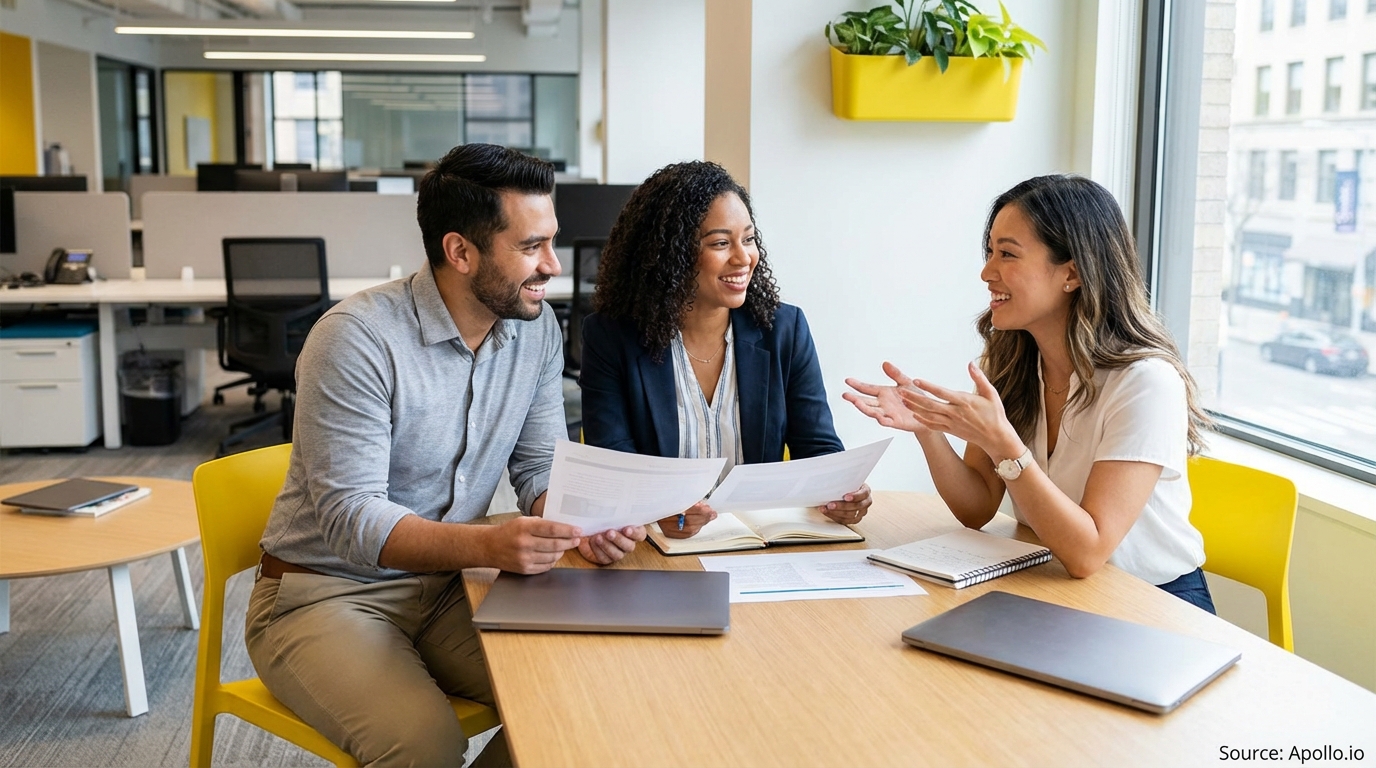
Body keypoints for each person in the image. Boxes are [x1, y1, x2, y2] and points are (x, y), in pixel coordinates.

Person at [244, 143, 646, 768]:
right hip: (323, 593)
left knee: (584, 691)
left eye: (552, 242)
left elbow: (539, 465)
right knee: (424, 746)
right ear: (460, 251)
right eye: (530, 247)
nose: (553, 268)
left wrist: (581, 520)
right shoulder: (357, 338)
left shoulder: (534, 328)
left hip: (449, 587)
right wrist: (489, 545)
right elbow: (351, 518)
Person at [845, 174, 1215, 612]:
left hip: (1153, 602)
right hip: (1054, 587)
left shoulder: (1145, 383)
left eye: (1007, 254)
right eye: (989, 253)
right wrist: (929, 427)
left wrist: (1004, 443)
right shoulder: (1011, 362)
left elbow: (1087, 551)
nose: (986, 273)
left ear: (1072, 274)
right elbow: (978, 506)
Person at [579, 160, 870, 538]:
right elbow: (615, 467)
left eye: (748, 239)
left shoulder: (784, 330)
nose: (744, 257)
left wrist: (840, 491)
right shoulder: (611, 338)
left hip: (759, 543)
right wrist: (657, 512)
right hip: (657, 550)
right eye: (720, 243)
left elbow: (817, 446)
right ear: (671, 255)